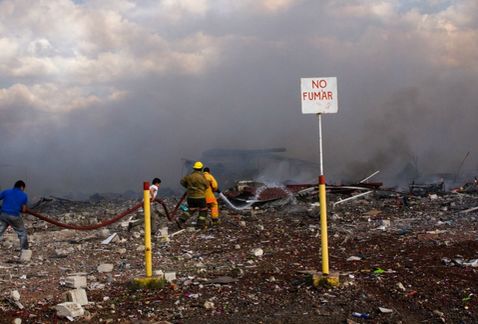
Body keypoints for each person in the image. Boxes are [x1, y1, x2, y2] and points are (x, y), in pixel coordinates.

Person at [179, 161, 210, 229]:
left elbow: (182, 182)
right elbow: (207, 185)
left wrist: (188, 187)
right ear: (201, 168)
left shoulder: (189, 176)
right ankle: (200, 224)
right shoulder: (202, 177)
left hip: (190, 197)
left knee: (191, 209)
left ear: (194, 168)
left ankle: (181, 219)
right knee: (203, 210)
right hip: (200, 196)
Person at [0, 180, 29, 251]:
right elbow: (24, 210)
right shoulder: (24, 195)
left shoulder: (6, 191)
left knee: (0, 230)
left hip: (3, 214)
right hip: (14, 216)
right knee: (22, 232)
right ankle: (24, 250)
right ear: (22, 187)